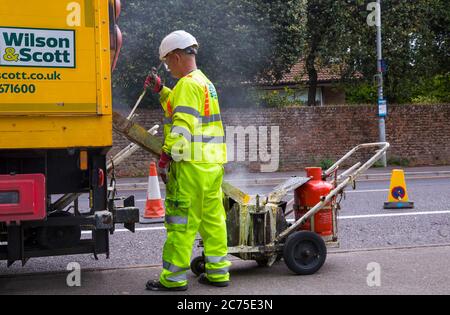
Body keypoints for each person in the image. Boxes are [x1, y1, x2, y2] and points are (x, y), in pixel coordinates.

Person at [144, 30, 230, 291]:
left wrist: (166, 155)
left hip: (190, 166)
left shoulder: (187, 85)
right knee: (213, 220)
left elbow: (182, 126)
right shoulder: (205, 83)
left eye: (168, 60)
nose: (168, 66)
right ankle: (218, 273)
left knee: (181, 223)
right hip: (212, 165)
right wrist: (161, 90)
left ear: (178, 56)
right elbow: (181, 106)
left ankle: (172, 279)